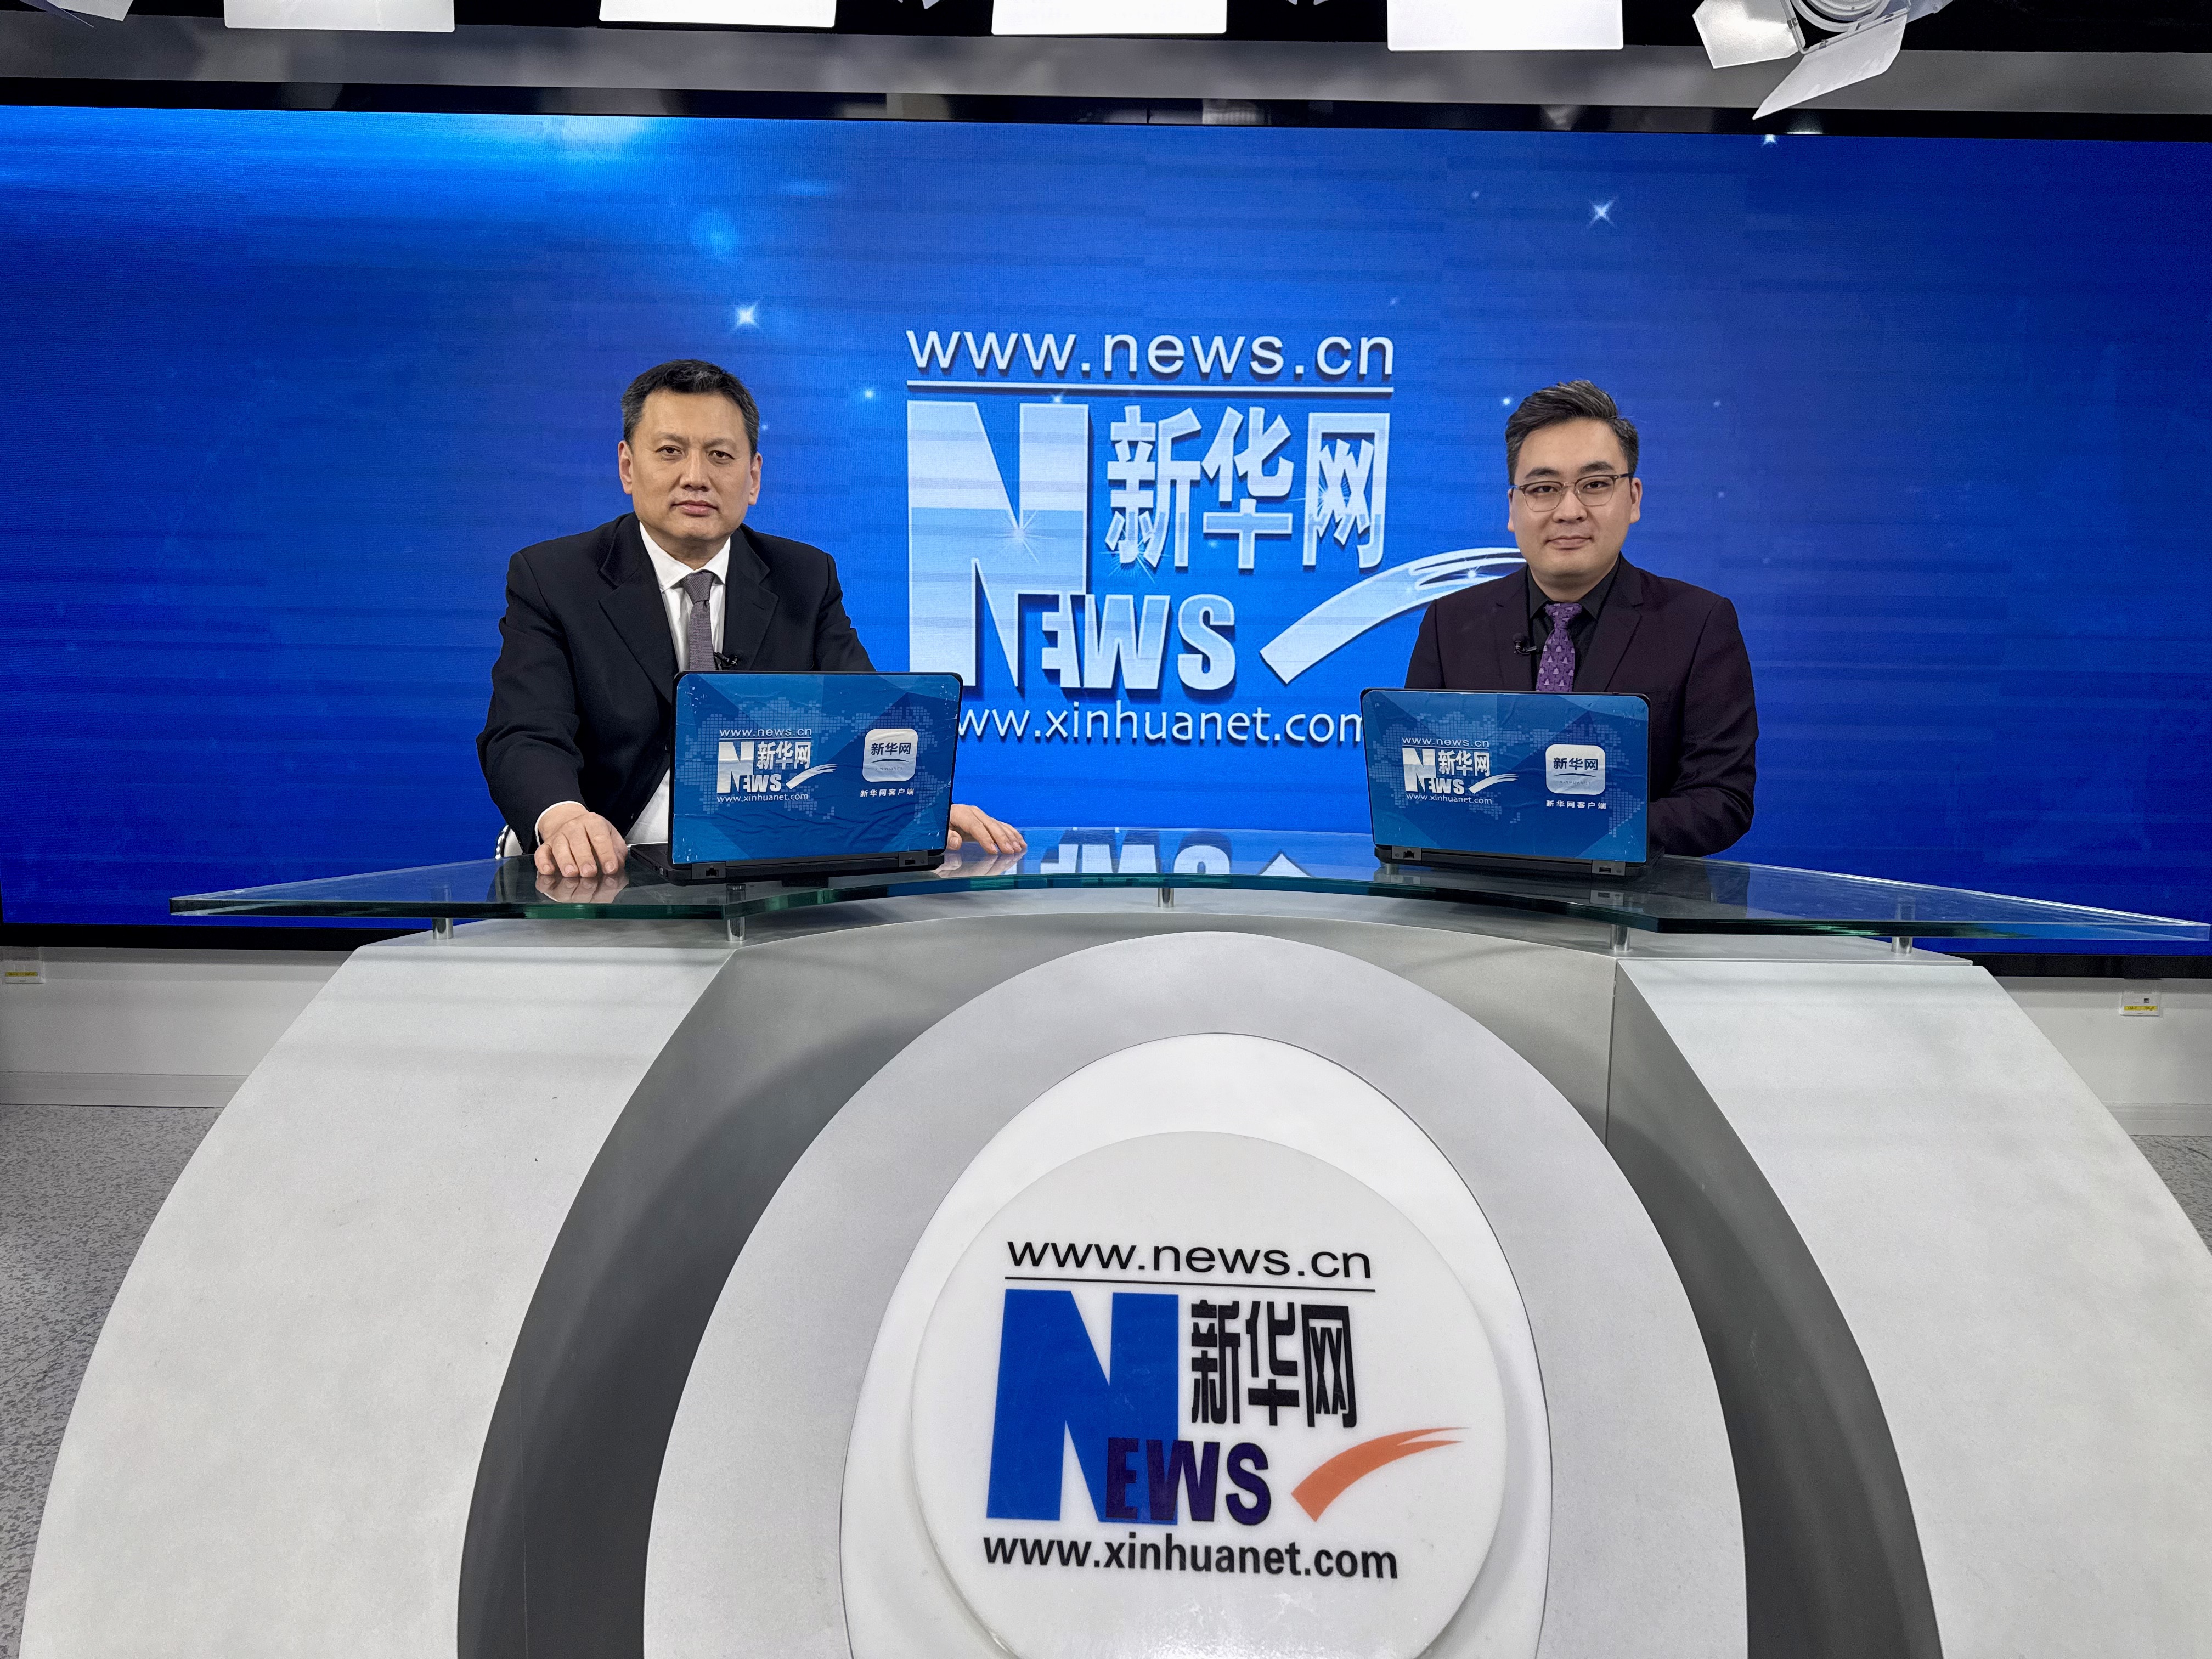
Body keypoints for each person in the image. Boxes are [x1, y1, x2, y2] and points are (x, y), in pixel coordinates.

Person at [480, 359, 1024, 879]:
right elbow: (524, 732)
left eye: (720, 455)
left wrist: (912, 807)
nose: (696, 477)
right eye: (670, 452)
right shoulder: (554, 578)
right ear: (627, 466)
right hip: (612, 868)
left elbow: (863, 720)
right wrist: (564, 817)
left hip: (765, 866)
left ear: (754, 476)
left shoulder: (805, 578)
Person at [1404, 380, 1757, 857]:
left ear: (1633, 498)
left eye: (1594, 485)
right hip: (1477, 891)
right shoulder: (1450, 623)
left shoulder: (1699, 624)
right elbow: (1417, 786)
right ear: (1513, 508)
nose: (1569, 511)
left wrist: (1577, 826)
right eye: (1543, 489)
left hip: (1631, 897)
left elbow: (1722, 800)